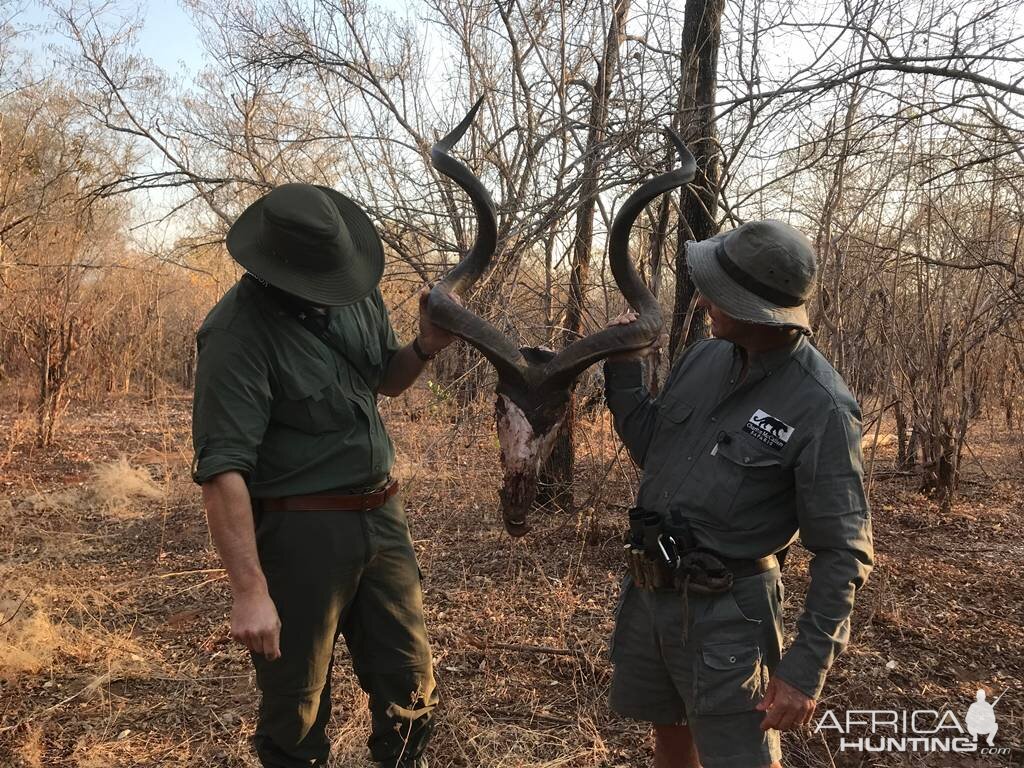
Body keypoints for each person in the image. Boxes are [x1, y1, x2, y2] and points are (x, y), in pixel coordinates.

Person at [191, 183, 455, 768]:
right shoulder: (236, 334)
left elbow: (385, 376)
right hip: (300, 536)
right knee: (297, 713)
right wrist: (250, 592)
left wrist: (426, 347)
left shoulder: (354, 294)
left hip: (383, 520)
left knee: (412, 692)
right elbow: (222, 473)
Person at [603, 220, 874, 768]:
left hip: (728, 617)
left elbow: (844, 550)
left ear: (757, 311)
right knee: (672, 740)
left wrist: (803, 670)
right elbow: (656, 450)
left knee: (740, 759)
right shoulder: (706, 358)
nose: (703, 299)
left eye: (718, 294)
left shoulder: (820, 406)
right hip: (653, 593)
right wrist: (624, 370)